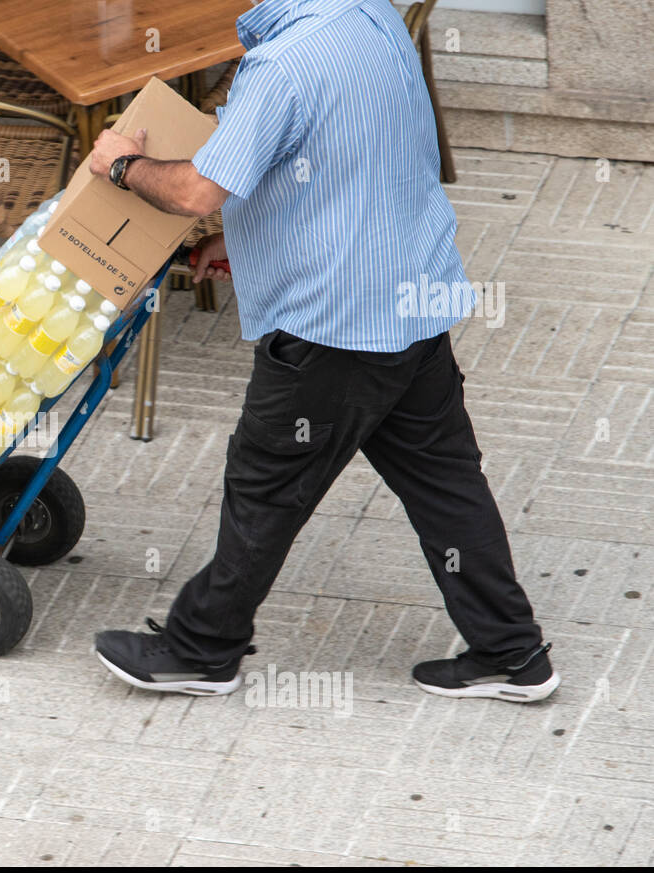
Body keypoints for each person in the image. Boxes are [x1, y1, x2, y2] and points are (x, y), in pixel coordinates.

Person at [86, 0, 558, 702]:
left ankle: (200, 650)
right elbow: (351, 158)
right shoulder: (372, 14)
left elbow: (193, 189)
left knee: (266, 488)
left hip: (333, 327)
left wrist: (124, 166)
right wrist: (244, 243)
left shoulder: (283, 65)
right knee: (446, 485)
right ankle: (512, 654)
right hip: (410, 296)